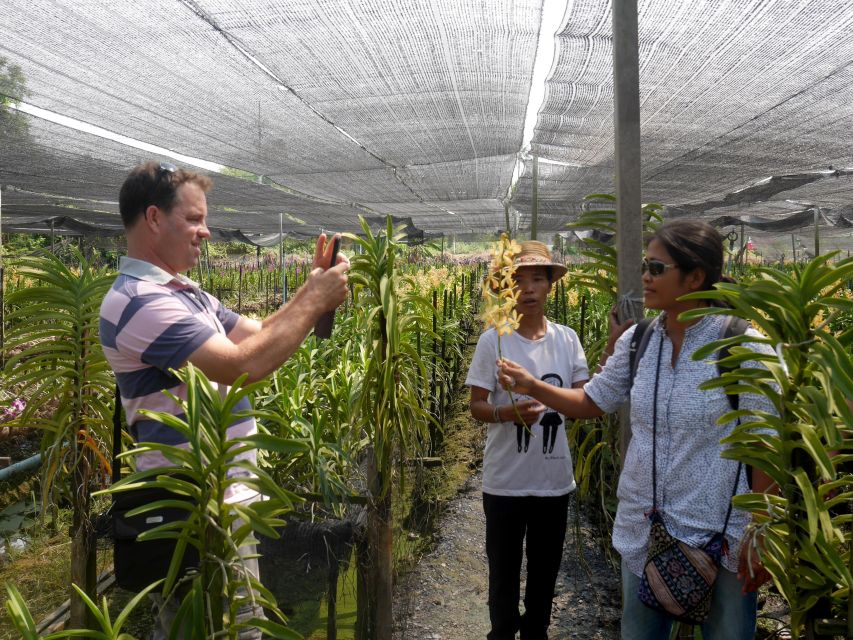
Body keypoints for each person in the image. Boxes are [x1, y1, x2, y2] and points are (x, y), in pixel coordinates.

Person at [99, 160, 349, 639]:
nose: (205, 232)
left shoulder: (184, 293)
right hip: (194, 509)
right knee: (213, 628)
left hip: (221, 500)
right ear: (153, 218)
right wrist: (315, 301)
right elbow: (240, 367)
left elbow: (259, 334)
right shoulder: (137, 300)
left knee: (225, 628)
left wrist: (310, 287)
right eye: (193, 219)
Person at [498, 220, 775, 640]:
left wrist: (761, 532)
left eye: (657, 268)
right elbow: (592, 401)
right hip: (645, 532)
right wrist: (532, 385)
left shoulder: (743, 348)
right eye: (646, 265)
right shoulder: (641, 340)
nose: (645, 276)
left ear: (695, 276)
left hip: (722, 540)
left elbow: (765, 445)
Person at [465, 240, 589, 640]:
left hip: (553, 482)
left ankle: (537, 632)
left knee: (545, 570)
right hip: (504, 483)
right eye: (519, 280)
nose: (530, 288)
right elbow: (476, 406)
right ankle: (500, 632)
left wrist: (538, 391)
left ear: (551, 286)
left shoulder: (567, 340)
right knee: (502, 572)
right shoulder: (494, 341)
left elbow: (582, 401)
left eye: (538, 278)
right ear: (506, 288)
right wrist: (507, 413)